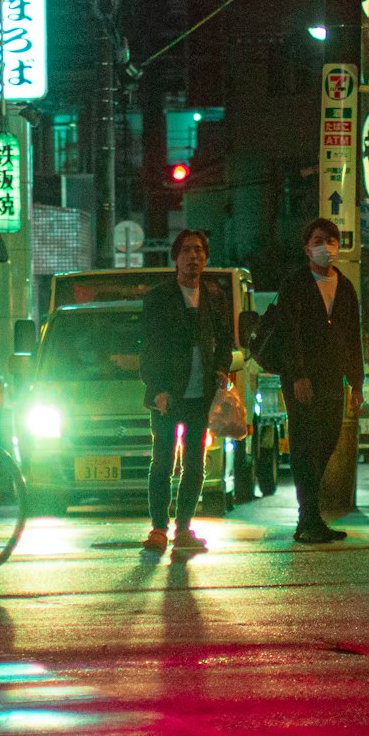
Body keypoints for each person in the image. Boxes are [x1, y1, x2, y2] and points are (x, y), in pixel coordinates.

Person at [140, 229, 234, 555]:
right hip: (168, 394)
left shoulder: (215, 297)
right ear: (175, 258)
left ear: (205, 258)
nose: (193, 256)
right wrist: (157, 389)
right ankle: (158, 528)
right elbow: (149, 348)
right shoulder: (159, 297)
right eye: (186, 251)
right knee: (163, 462)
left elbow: (225, 342)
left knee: (195, 463)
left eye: (198, 251)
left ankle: (183, 528)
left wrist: (222, 368)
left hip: (201, 394)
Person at [275, 218, 364, 544]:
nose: (325, 246)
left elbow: (353, 335)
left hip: (332, 376)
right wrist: (298, 375)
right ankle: (309, 517)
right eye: (317, 239)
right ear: (306, 247)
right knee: (303, 444)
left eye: (330, 239)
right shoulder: (295, 283)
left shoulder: (346, 286)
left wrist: (357, 382)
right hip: (302, 377)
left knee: (327, 439)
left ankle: (310, 516)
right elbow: (288, 333)